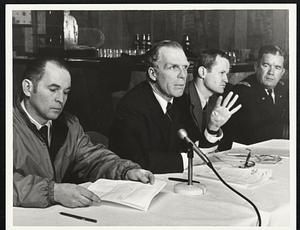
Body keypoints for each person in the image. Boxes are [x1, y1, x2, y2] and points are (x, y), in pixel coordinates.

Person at [13, 57, 154, 208]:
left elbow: (93, 159)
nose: (61, 99)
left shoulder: (69, 125)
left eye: (66, 92)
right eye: (53, 90)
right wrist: (53, 192)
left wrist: (126, 171)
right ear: (28, 88)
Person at [109, 41, 238, 174]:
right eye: (173, 67)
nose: (182, 75)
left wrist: (213, 128)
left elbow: (194, 147)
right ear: (153, 73)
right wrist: (188, 160)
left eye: (185, 68)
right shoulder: (132, 106)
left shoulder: (180, 101)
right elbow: (134, 162)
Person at [219, 45, 289, 149]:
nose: (271, 72)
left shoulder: (283, 90)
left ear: (282, 72)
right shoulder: (241, 93)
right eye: (266, 65)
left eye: (277, 67)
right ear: (256, 67)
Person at [184, 49, 241, 152]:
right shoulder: (181, 100)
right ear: (202, 72)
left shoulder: (218, 101)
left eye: (227, 74)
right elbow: (190, 148)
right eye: (222, 73)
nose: (226, 80)